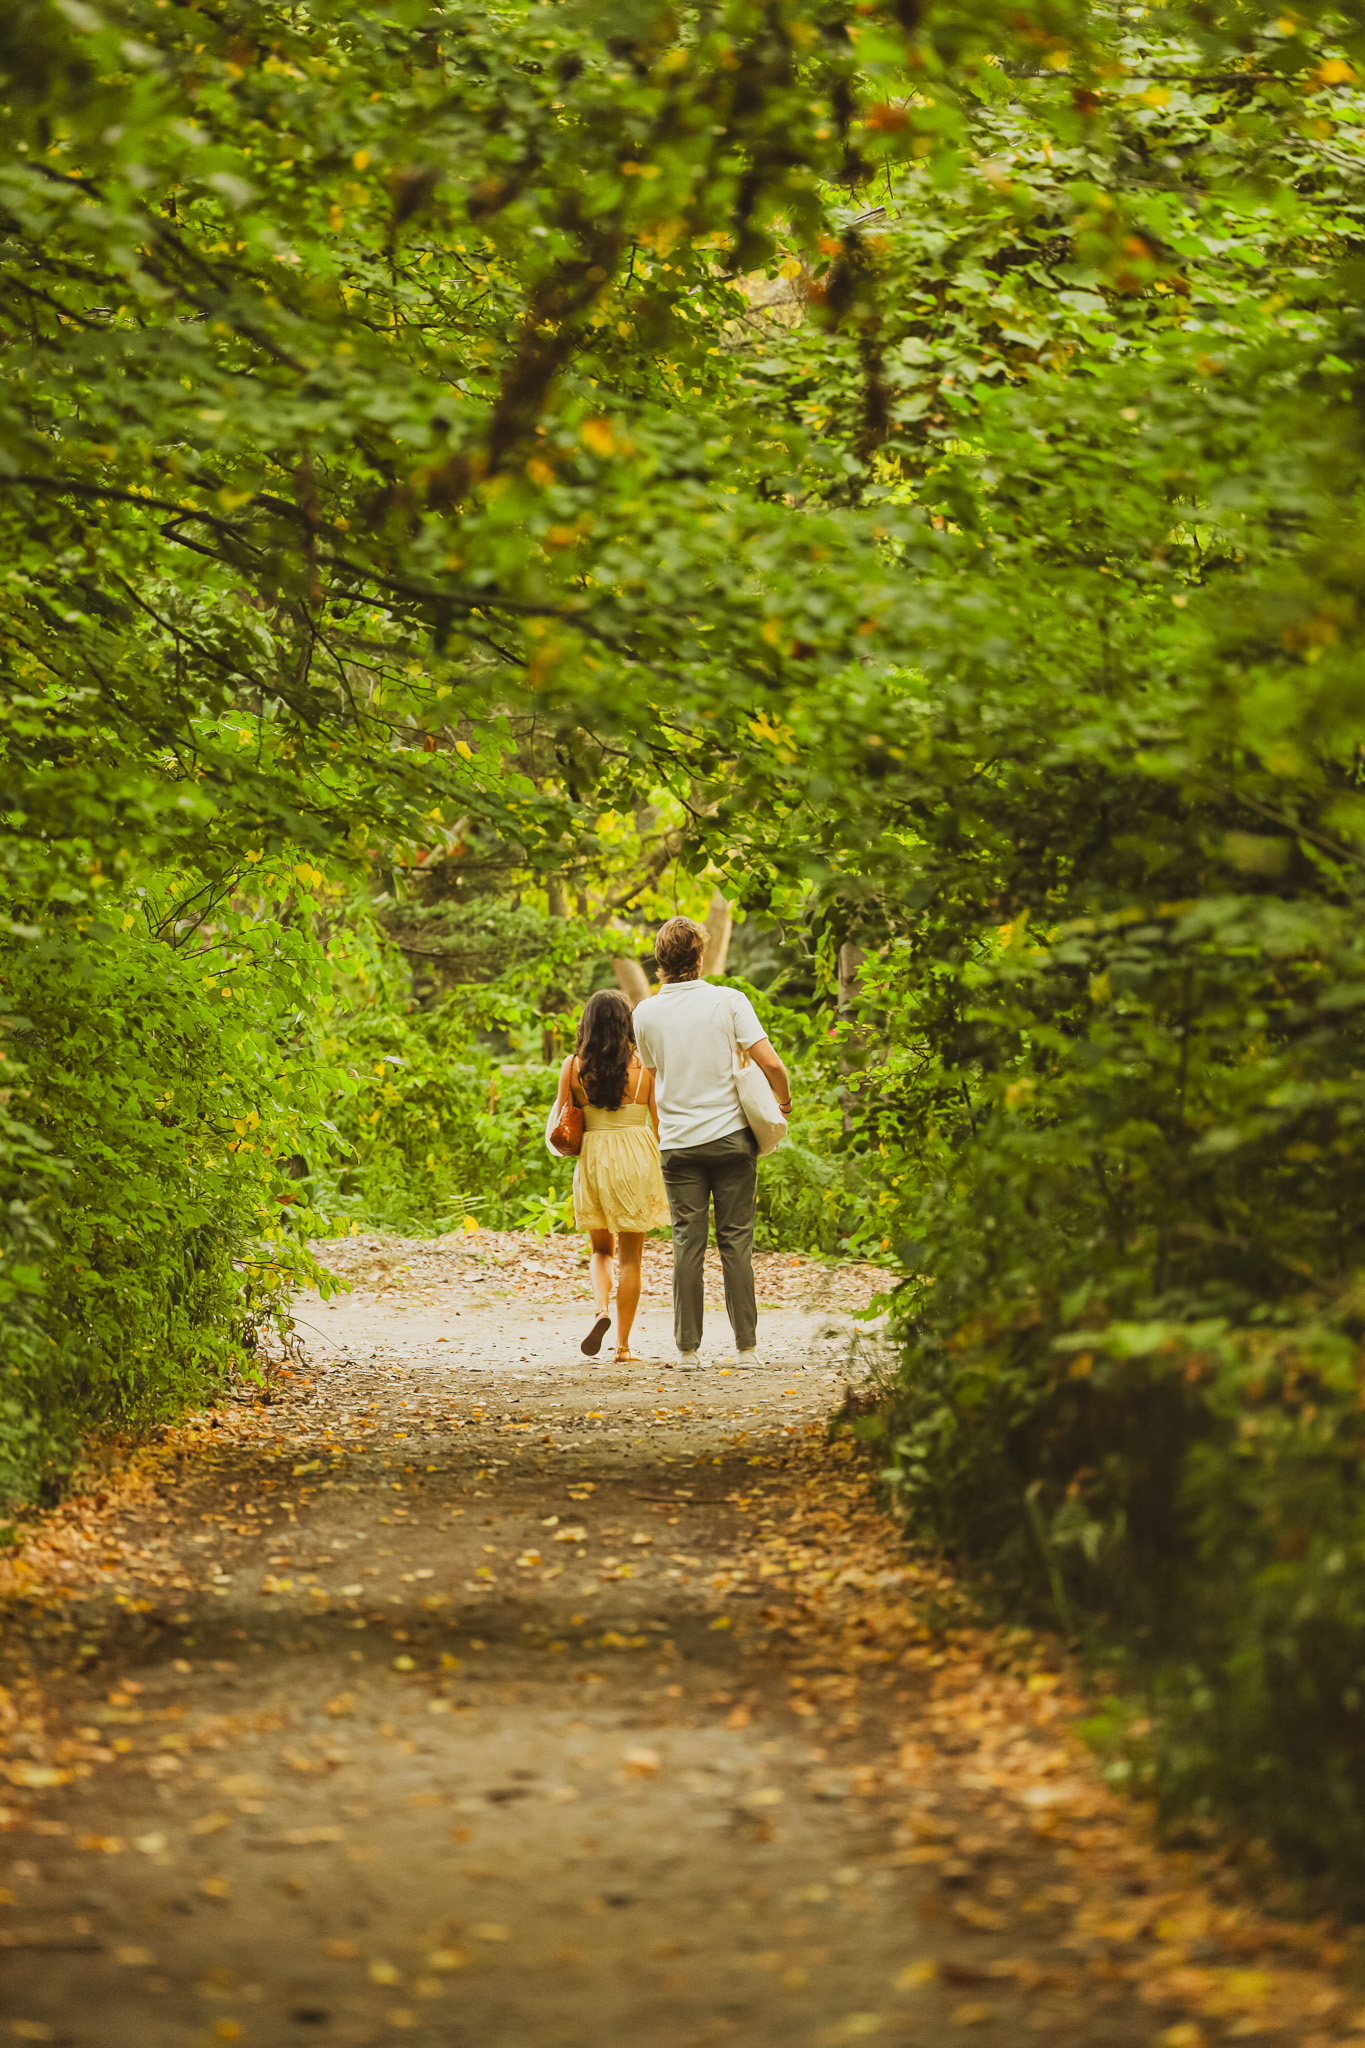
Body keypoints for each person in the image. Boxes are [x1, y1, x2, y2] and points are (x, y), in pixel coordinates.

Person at [632, 915, 792, 1369]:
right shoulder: (729, 1001)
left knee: (688, 1244)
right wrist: (782, 1102)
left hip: (678, 1143)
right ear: (699, 957)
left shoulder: (644, 1013)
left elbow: (652, 1077)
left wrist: (662, 1131)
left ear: (660, 961)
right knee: (736, 1242)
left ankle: (687, 1350)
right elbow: (772, 1065)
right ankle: (746, 1350)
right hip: (731, 1140)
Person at [551, 988, 669, 1364]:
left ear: (588, 1024)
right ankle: (623, 1347)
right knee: (631, 1259)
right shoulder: (645, 1065)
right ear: (627, 1023)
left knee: (601, 1250)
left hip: (595, 1157)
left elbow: (563, 1118)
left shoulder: (573, 1066)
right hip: (637, 1154)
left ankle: (600, 1309)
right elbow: (659, 1123)